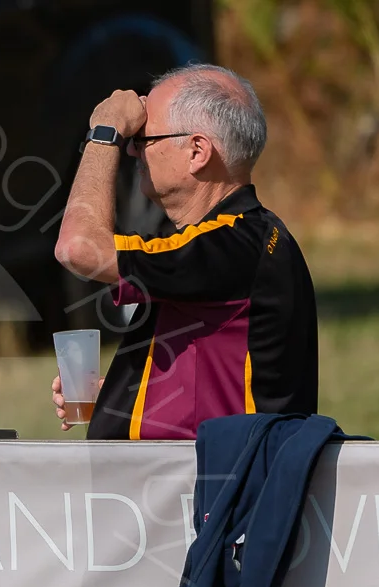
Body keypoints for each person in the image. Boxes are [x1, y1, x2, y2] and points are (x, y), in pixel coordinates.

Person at [52, 64, 317, 440]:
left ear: (197, 151)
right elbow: (208, 373)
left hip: (207, 490)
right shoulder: (235, 240)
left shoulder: (227, 243)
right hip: (194, 482)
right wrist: (113, 396)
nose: (131, 150)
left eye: (143, 137)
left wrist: (104, 133)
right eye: (130, 137)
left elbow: (77, 248)